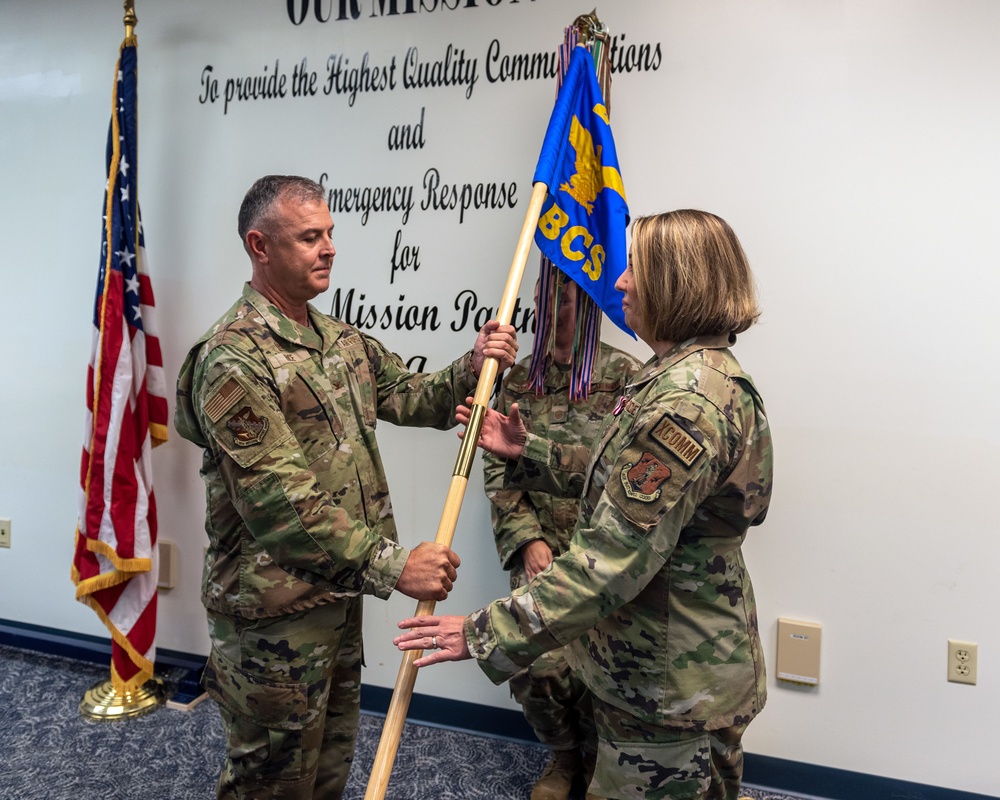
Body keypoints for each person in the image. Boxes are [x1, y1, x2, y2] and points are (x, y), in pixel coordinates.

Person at [395, 210, 773, 800]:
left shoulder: (687, 404)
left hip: (671, 681)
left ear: (677, 283)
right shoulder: (682, 380)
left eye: (635, 271)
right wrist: (533, 451)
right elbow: (624, 479)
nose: (618, 284)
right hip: (666, 666)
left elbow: (609, 562)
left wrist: (481, 633)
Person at [173, 174, 518, 800]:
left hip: (334, 599)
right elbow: (281, 505)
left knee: (328, 771)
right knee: (271, 783)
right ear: (260, 246)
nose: (329, 247)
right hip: (272, 618)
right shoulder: (232, 359)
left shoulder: (337, 340)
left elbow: (412, 396)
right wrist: (393, 566)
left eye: (330, 233)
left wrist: (472, 367)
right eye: (310, 237)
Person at [484, 277, 641, 800]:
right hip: (541, 557)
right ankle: (565, 757)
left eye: (566, 298)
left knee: (609, 673)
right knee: (535, 668)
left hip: (606, 561)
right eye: (542, 300)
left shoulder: (626, 378)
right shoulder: (517, 381)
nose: (552, 310)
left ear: (590, 305)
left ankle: (599, 761)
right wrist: (527, 540)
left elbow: (635, 478)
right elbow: (497, 474)